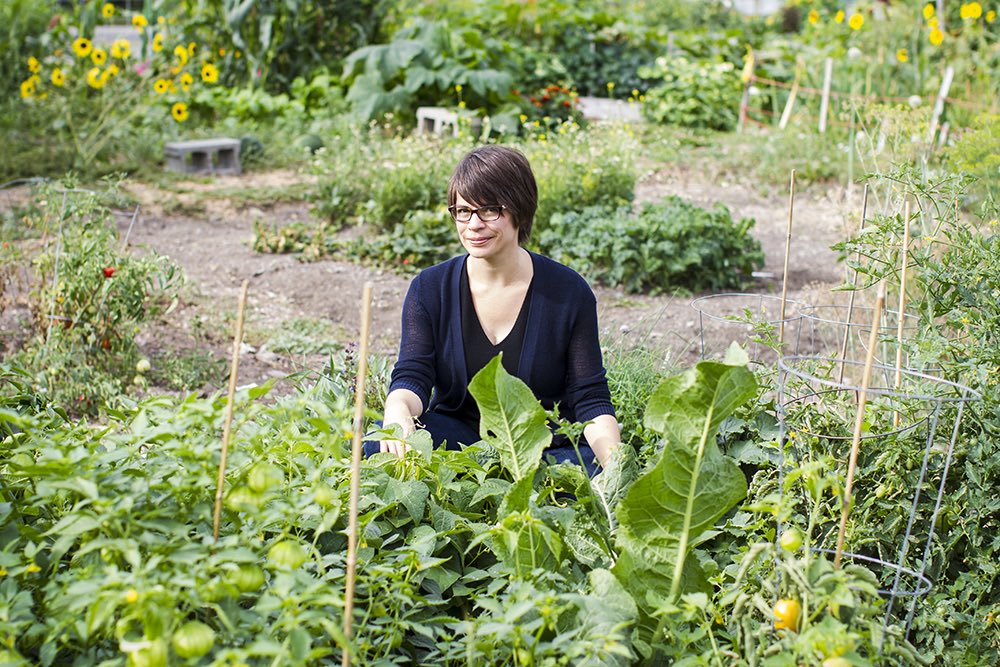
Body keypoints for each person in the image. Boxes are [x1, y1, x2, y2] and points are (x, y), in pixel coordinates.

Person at [367, 145, 621, 475]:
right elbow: (413, 376)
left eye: (489, 210)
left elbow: (590, 398)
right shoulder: (430, 289)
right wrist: (398, 412)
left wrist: (614, 465)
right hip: (458, 443)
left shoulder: (568, 293)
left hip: (543, 450)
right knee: (372, 443)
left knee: (586, 469)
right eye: (462, 211)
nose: (473, 224)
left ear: (520, 210)